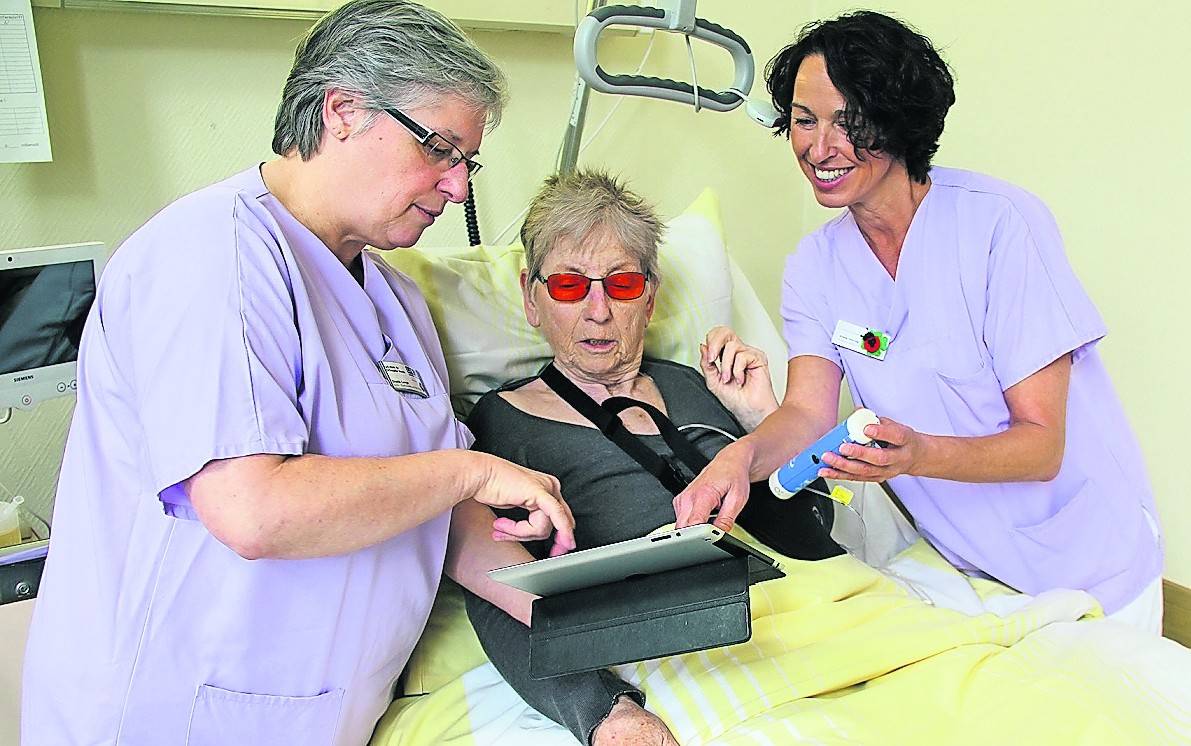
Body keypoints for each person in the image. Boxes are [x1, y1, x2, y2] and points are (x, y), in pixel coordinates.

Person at [21, 2, 575, 744]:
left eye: (465, 162)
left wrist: (585, 610)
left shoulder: (396, 296)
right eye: (440, 150)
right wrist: (468, 472)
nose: (456, 187)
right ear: (341, 110)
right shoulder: (211, 255)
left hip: (322, 715)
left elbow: (433, 518)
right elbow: (253, 510)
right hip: (181, 713)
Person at [674, 10, 1163, 632]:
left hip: (1091, 567)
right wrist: (739, 460)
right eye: (803, 120)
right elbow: (806, 416)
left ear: (898, 121)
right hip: (967, 572)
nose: (819, 148)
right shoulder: (816, 267)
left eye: (848, 123)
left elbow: (1042, 446)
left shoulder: (999, 226)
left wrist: (916, 454)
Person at [450, 169, 842, 746]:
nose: (599, 310)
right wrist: (606, 713)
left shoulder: (697, 384)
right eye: (567, 286)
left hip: (817, 615)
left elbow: (815, 531)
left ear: (651, 296)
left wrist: (761, 416)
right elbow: (496, 592)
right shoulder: (502, 424)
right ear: (532, 299)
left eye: (623, 285)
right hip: (683, 640)